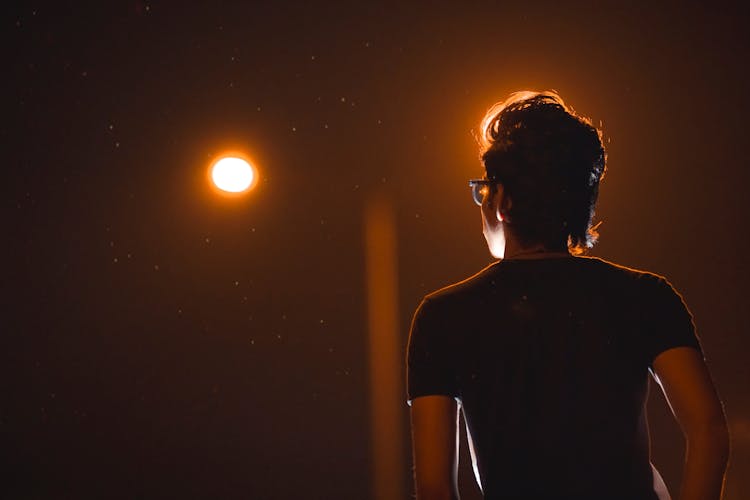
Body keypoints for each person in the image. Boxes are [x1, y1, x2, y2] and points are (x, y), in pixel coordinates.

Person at [406, 91, 729, 500]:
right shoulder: (645, 296)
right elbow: (709, 431)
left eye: (484, 189)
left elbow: (434, 486)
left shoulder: (442, 315)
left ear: (502, 201)